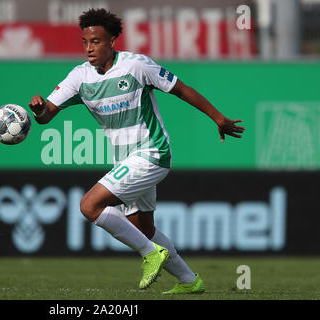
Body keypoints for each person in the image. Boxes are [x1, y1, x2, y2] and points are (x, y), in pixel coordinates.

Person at [28, 8, 245, 294]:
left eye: (96, 41)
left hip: (153, 153)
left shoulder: (136, 66)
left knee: (89, 206)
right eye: (85, 41)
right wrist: (39, 109)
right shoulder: (79, 77)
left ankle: (150, 254)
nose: (89, 48)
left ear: (113, 41)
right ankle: (190, 281)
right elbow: (46, 116)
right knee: (144, 230)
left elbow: (181, 89)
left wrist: (218, 118)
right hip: (126, 160)